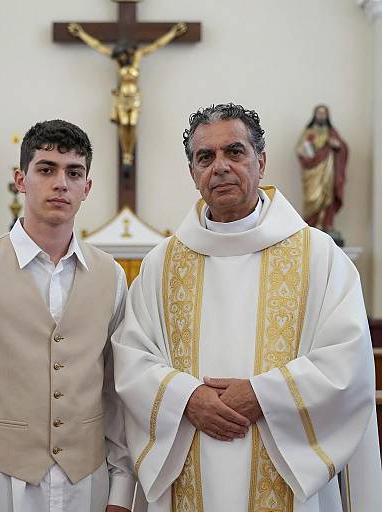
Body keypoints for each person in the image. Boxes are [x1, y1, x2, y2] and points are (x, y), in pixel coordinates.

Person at [112, 103, 381, 511]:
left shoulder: (319, 256)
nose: (220, 166)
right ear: (193, 173)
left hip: (287, 476)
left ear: (262, 161)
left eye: (234, 152)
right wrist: (186, 399)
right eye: (206, 157)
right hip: (189, 468)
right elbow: (132, 359)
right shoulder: (161, 265)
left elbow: (349, 361)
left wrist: (263, 395)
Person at [0, 120, 134, 512]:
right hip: (0, 484)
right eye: (46, 169)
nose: (61, 183)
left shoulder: (113, 276)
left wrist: (121, 490)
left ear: (87, 188)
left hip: (88, 484)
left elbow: (116, 393)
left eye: (74, 173)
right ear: (21, 179)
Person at [67, 22, 187, 168]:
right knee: (124, 124)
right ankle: (126, 155)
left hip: (134, 98)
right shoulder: (118, 62)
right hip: (122, 98)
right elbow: (98, 46)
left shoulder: (137, 57)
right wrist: (81, 34)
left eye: (123, 54)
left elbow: (156, 45)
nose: (122, 57)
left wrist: (173, 33)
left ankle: (129, 153)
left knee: (132, 124)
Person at [296, 105, 348, 236]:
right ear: (315, 115)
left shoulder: (331, 132)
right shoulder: (308, 132)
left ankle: (326, 224)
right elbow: (300, 149)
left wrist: (337, 146)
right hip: (312, 172)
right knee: (312, 197)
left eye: (324, 113)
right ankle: (311, 224)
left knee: (327, 195)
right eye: (319, 113)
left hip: (328, 170)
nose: (321, 116)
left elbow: (343, 147)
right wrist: (308, 149)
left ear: (327, 116)